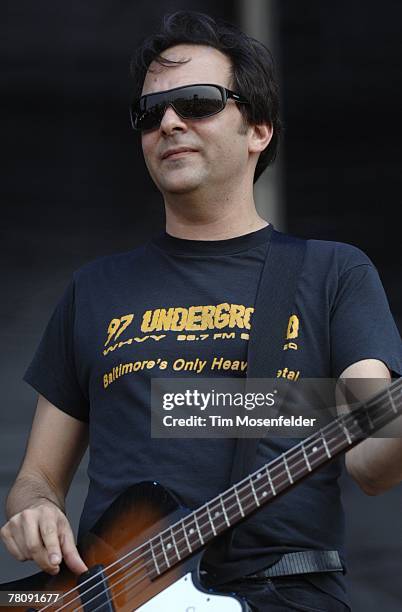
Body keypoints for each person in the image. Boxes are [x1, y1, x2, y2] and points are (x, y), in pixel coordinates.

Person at [1, 10, 402, 612]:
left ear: (259, 128)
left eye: (197, 102)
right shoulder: (94, 289)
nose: (169, 121)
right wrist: (34, 509)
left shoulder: (333, 273)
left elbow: (374, 457)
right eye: (150, 111)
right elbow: (38, 478)